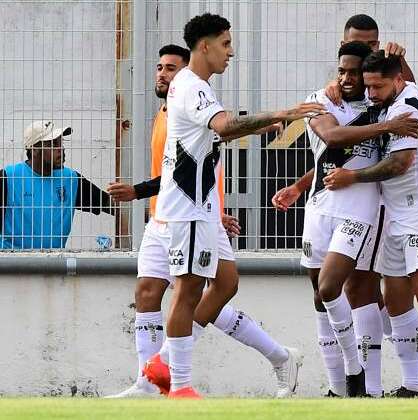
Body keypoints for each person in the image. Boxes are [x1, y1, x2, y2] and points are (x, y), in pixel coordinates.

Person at [104, 44, 301, 399]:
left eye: (171, 68)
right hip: (167, 215)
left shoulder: (192, 94)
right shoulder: (171, 107)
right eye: (160, 67)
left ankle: (166, 376)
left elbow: (206, 147)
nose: (164, 74)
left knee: (205, 292)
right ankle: (150, 382)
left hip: (193, 214)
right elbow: (184, 160)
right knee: (154, 293)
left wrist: (214, 207)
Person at [143, 13, 324, 399]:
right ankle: (179, 385)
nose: (231, 51)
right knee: (189, 288)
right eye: (225, 43)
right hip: (189, 207)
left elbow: (213, 132)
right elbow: (222, 126)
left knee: (225, 283)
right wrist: (280, 113)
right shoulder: (193, 87)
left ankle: (164, 361)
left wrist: (257, 126)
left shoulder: (196, 87)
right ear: (204, 46)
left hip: (203, 207)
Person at [273, 41, 418, 398]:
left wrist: (400, 60)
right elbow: (333, 138)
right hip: (320, 207)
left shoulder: (381, 100)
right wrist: (299, 186)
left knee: (332, 287)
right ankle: (339, 390)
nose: (347, 78)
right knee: (319, 299)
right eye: (341, 71)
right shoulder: (322, 100)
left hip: (360, 211)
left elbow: (407, 87)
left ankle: (358, 372)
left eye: (353, 71)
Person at [323, 51, 418, 397]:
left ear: (397, 80)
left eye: (379, 85)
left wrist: (352, 177)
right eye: (368, 86)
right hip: (399, 218)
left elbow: (400, 163)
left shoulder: (406, 109)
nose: (371, 93)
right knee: (397, 300)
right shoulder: (392, 103)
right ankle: (414, 383)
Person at [0, 121, 115, 249]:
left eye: (61, 143)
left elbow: (109, 204)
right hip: (12, 263)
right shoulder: (8, 177)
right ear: (34, 150)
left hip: (53, 264)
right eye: (53, 144)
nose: (61, 149)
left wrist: (137, 208)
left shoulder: (70, 179)